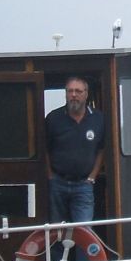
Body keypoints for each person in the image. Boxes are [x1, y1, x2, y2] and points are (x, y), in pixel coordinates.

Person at [45, 76, 105, 225]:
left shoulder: (98, 118)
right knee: (57, 230)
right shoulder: (53, 118)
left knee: (83, 229)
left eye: (78, 91)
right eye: (70, 91)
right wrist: (50, 175)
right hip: (57, 183)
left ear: (86, 94)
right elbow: (44, 149)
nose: (73, 95)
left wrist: (92, 176)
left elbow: (102, 149)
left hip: (83, 185)